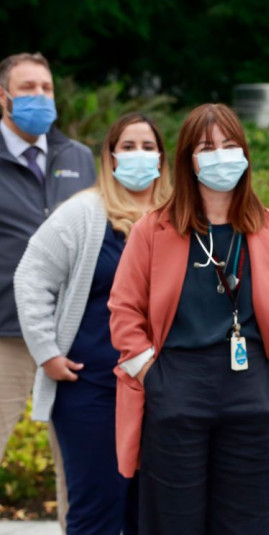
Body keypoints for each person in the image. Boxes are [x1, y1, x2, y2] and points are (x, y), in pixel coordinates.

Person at [108, 103, 269, 534]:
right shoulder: (153, 229)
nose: (220, 155)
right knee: (173, 521)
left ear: (246, 154)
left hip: (252, 390)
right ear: (186, 159)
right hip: (177, 387)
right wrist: (154, 379)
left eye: (229, 145)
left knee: (247, 524)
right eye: (206, 147)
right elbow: (124, 311)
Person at [14, 112, 171, 534]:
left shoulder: (176, 217)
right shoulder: (83, 213)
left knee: (151, 511)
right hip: (92, 387)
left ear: (162, 157)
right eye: (128, 147)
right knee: (97, 508)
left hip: (163, 388)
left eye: (148, 146)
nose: (139, 155)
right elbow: (31, 276)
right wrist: (46, 352)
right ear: (111, 157)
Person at [0, 52, 96, 530]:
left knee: (78, 469)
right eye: (27, 88)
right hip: (6, 336)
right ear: (4, 97)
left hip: (71, 338)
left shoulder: (77, 158)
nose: (39, 97)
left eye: (46, 88)